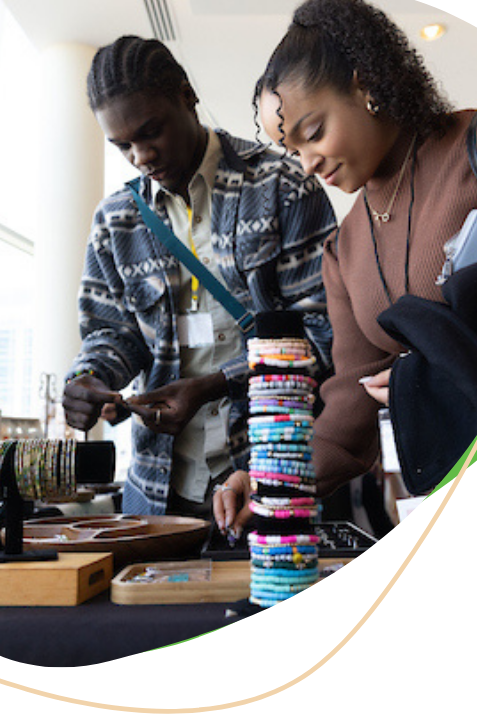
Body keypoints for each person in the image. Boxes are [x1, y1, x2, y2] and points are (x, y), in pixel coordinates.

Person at [215, 0, 477, 534]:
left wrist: (426, 376)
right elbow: (350, 412)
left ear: (367, 84)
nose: (308, 165)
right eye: (293, 152)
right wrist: (271, 480)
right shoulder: (343, 250)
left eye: (313, 133)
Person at [62, 35, 338, 517]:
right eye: (122, 145)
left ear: (187, 96)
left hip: (269, 473)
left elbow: (323, 337)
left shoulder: (282, 187)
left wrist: (214, 385)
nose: (140, 156)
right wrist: (90, 378)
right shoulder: (115, 221)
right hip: (157, 492)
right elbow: (110, 335)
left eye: (151, 132)